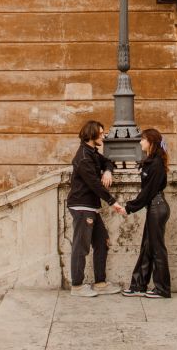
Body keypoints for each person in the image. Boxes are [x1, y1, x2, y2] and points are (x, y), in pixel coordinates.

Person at [67, 120, 126, 297]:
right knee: (81, 246)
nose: (103, 136)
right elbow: (94, 184)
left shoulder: (92, 152)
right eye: (101, 133)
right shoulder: (83, 157)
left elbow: (108, 161)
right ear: (92, 134)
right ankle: (76, 286)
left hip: (91, 207)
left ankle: (100, 283)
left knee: (102, 242)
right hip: (81, 206)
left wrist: (107, 171)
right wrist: (113, 202)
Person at [121, 128, 171, 298]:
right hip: (154, 207)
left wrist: (129, 207)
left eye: (142, 139)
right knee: (147, 247)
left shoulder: (156, 164)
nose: (140, 142)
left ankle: (162, 289)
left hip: (157, 207)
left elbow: (148, 192)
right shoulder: (151, 161)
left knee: (157, 249)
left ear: (151, 142)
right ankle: (138, 285)